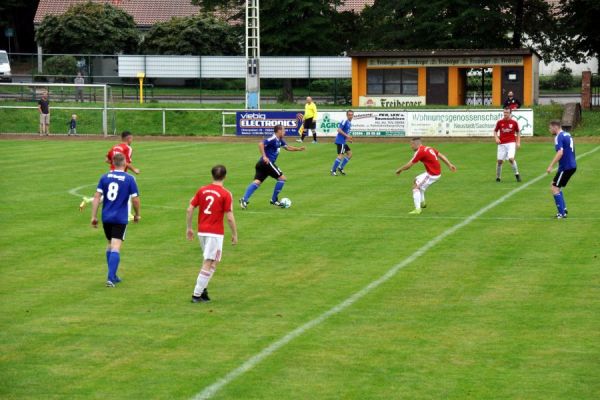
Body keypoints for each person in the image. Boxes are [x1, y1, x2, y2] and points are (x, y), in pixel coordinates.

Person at [186, 165, 238, 303]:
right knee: (209, 262)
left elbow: (189, 209)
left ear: (212, 175)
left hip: (202, 231)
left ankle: (203, 291)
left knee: (212, 262)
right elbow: (229, 217)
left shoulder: (202, 190)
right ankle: (196, 295)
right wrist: (234, 234)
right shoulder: (226, 193)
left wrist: (189, 228)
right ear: (225, 176)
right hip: (215, 233)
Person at [90, 153, 141, 287]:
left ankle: (113, 274)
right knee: (116, 247)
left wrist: (93, 217)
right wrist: (137, 214)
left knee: (109, 244)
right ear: (124, 163)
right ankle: (111, 277)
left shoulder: (105, 177)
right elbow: (135, 199)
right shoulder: (130, 179)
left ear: (112, 163)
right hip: (120, 217)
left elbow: (96, 197)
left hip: (106, 216)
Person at [239, 124, 305, 209]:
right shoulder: (273, 139)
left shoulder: (280, 140)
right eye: (284, 130)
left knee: (257, 182)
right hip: (266, 163)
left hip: (262, 164)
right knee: (282, 178)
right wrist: (264, 156)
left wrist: (298, 149)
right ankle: (274, 200)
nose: (285, 132)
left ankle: (244, 199)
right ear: (279, 131)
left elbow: (288, 148)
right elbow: (260, 144)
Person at [79, 131, 140, 211]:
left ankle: (88, 200)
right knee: (127, 192)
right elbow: (125, 163)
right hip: (121, 174)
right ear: (129, 138)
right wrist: (134, 169)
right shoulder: (128, 148)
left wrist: (115, 163)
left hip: (111, 173)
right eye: (132, 139)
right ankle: (128, 215)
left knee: (111, 194)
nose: (132, 141)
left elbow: (107, 159)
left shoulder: (115, 147)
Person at [395, 138, 457, 215]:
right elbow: (441, 155)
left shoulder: (420, 152)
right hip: (432, 172)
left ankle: (417, 209)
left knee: (416, 187)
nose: (411, 146)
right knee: (416, 180)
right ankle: (422, 203)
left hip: (432, 174)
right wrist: (449, 164)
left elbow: (409, 165)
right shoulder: (428, 148)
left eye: (411, 144)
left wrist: (400, 170)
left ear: (415, 144)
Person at [546, 120, 577, 219]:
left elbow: (560, 153)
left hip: (566, 167)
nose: (550, 130)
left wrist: (551, 165)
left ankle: (561, 213)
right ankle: (564, 210)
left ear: (555, 127)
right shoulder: (567, 134)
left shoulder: (558, 136)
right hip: (571, 165)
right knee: (554, 185)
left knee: (554, 188)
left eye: (550, 128)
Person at [493, 107, 522, 182]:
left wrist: (518, 142)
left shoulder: (514, 123)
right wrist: (496, 138)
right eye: (504, 112)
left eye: (507, 113)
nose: (505, 114)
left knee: (511, 159)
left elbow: (518, 132)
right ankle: (498, 177)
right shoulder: (499, 122)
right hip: (501, 144)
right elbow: (495, 131)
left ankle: (517, 174)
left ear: (510, 113)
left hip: (511, 143)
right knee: (499, 161)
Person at [330, 110, 354, 176]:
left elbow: (345, 133)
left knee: (349, 154)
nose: (350, 116)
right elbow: (339, 130)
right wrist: (347, 136)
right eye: (349, 114)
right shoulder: (344, 121)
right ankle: (333, 170)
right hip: (340, 141)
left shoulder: (349, 123)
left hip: (343, 141)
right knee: (340, 155)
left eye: (351, 115)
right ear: (347, 115)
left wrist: (348, 139)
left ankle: (340, 168)